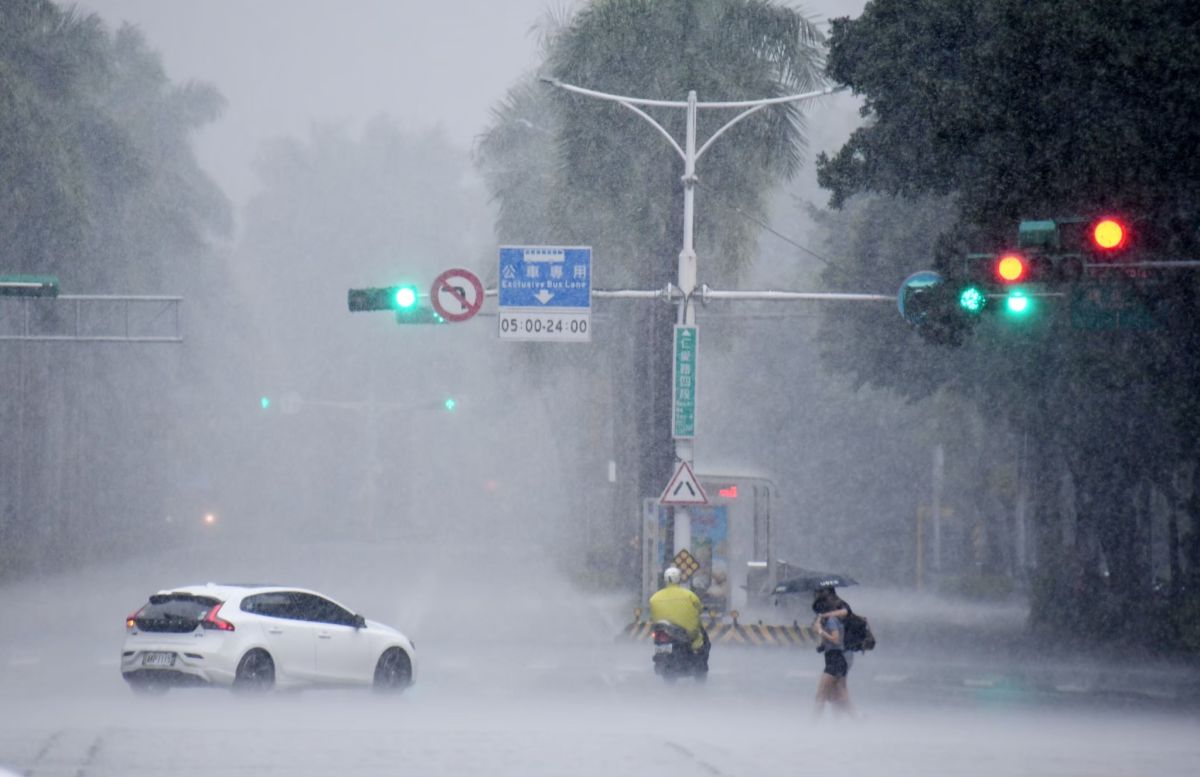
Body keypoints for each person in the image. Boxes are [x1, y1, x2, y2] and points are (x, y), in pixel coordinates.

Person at [648, 566, 710, 662]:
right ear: (679, 578)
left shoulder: (654, 598)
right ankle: (698, 663)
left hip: (662, 632)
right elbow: (699, 608)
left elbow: (652, 614)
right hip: (686, 633)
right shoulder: (689, 595)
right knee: (699, 641)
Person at [812, 586, 856, 719]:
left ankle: (810, 727)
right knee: (838, 696)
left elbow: (836, 640)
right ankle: (855, 719)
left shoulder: (832, 618)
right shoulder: (831, 619)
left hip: (836, 660)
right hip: (837, 659)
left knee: (821, 695)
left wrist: (820, 630)